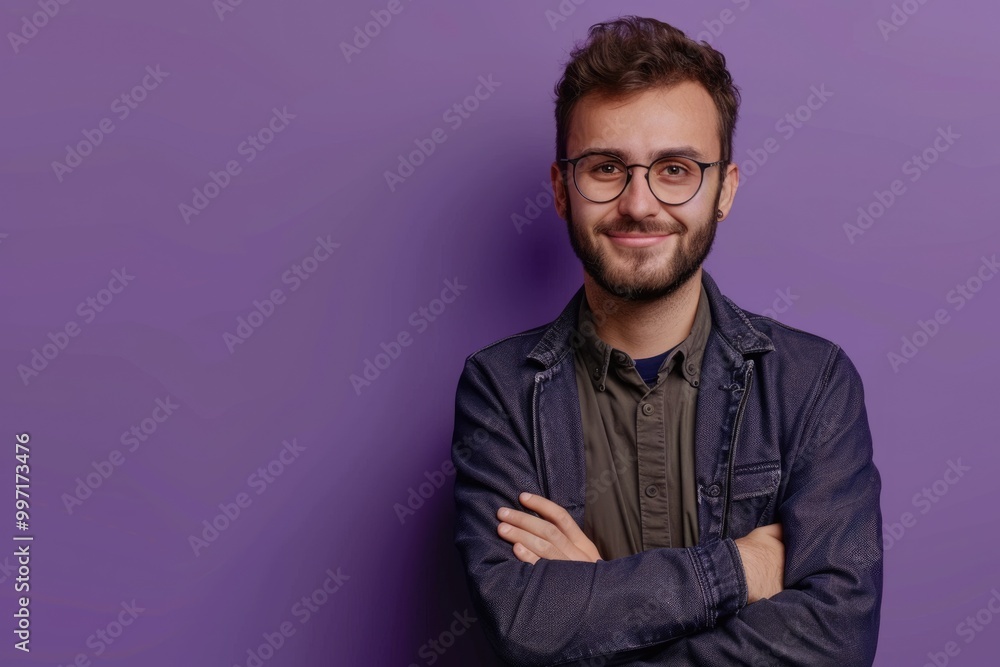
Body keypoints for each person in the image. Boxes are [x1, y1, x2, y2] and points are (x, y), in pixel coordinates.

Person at [450, 15, 882, 666]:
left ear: (724, 189)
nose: (639, 203)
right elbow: (525, 626)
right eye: (606, 168)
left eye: (675, 169)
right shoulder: (501, 388)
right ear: (562, 190)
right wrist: (739, 568)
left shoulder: (812, 382)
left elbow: (836, 643)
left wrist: (593, 604)